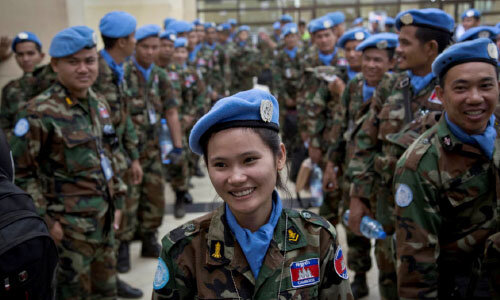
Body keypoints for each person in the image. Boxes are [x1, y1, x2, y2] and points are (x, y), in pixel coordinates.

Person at [152, 89, 353, 299]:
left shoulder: (318, 238)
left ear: (280, 157)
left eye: (249, 160)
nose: (236, 177)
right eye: (220, 164)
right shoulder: (183, 249)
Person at [10, 25, 126, 299]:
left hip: (104, 224)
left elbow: (107, 154)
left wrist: (118, 201)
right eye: (73, 62)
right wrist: (47, 222)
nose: (84, 69)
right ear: (55, 64)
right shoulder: (39, 112)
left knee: (106, 292)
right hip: (68, 233)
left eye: (90, 60)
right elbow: (22, 174)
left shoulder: (98, 103)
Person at [347, 8, 454, 300]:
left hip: (437, 216)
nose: (399, 50)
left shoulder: (456, 88)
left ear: (431, 48)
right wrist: (358, 198)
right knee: (389, 279)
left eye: (405, 43)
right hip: (388, 209)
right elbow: (365, 144)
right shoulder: (390, 85)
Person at [393, 37, 500, 299]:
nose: (475, 98)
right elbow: (416, 268)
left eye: (486, 86)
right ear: (441, 95)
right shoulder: (419, 164)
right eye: (461, 88)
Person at [327, 32, 397, 299]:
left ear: (390, 63)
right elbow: (342, 125)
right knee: (352, 226)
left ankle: (389, 282)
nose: (370, 65)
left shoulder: (396, 89)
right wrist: (332, 163)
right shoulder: (354, 86)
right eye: (366, 59)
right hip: (351, 171)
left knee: (383, 235)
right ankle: (359, 275)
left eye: (378, 60)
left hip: (382, 176)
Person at [94, 11, 144, 297]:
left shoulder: (117, 68)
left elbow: (123, 121)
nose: (135, 42)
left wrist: (132, 157)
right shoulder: (98, 71)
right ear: (123, 41)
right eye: (133, 37)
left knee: (117, 213)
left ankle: (110, 279)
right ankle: (107, 281)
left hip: (118, 156)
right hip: (99, 160)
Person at [123, 24, 183, 258]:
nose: (150, 52)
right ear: (136, 47)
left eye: (154, 47)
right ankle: (123, 247)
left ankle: (149, 239)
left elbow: (171, 112)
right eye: (145, 47)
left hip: (154, 147)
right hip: (128, 149)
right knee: (129, 197)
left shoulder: (160, 76)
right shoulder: (125, 73)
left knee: (155, 194)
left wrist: (178, 146)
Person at [167, 37, 206, 219]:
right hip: (172, 124)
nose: (180, 55)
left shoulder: (192, 72)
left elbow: (200, 94)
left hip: (190, 121)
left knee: (190, 158)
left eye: (183, 51)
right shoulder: (165, 73)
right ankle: (179, 195)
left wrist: (193, 115)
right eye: (177, 51)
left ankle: (185, 186)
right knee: (179, 160)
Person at [273, 23, 305, 183]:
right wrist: (286, 97)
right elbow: (277, 78)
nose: (291, 39)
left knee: (301, 127)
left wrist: (299, 96)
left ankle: (298, 158)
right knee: (286, 127)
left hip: (301, 97)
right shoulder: (280, 56)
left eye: (294, 36)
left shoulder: (302, 54)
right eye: (288, 37)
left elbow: (306, 77)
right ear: (284, 39)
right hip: (285, 99)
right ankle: (287, 154)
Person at [1, 31, 44, 138]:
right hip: (23, 149)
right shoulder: (10, 89)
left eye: (30, 53)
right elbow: (4, 124)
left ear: (41, 56)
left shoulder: (54, 81)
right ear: (16, 58)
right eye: (20, 54)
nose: (25, 59)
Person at [229, 25, 262, 93]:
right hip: (235, 78)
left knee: (247, 97)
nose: (244, 35)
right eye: (242, 33)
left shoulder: (252, 46)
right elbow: (231, 54)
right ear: (238, 34)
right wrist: (244, 50)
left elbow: (256, 56)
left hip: (247, 78)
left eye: (246, 33)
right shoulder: (233, 44)